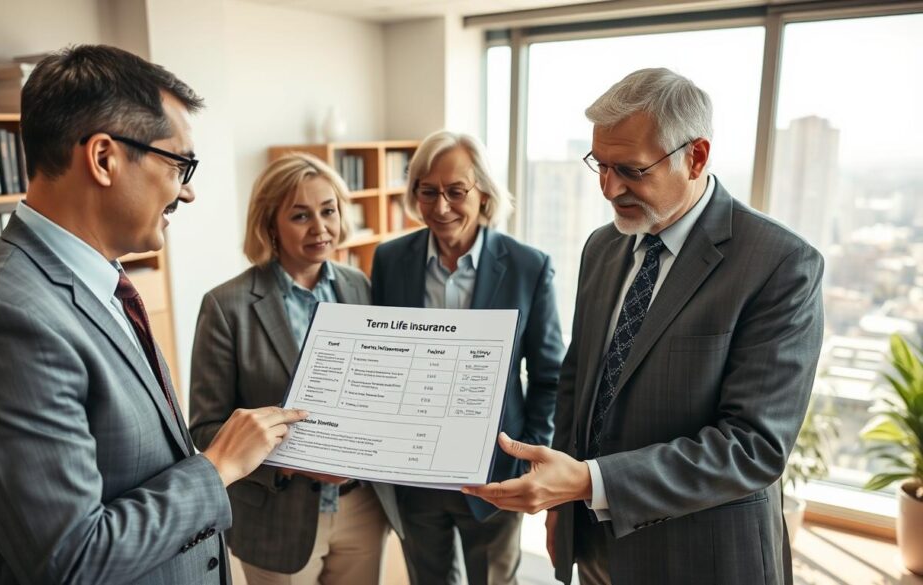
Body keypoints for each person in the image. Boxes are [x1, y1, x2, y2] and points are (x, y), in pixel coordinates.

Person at [0, 45, 307, 585]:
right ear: (104, 158)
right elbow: (74, 559)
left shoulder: (103, 281)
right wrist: (218, 468)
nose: (188, 191)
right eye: (179, 164)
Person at [464, 68, 825, 585]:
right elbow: (577, 381)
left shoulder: (781, 264)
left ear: (695, 157)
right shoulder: (602, 246)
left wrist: (590, 482)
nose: (609, 189)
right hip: (595, 546)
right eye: (600, 165)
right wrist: (562, 512)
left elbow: (753, 446)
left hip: (701, 557)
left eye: (630, 170)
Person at [189, 152, 403, 585]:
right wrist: (293, 463)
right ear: (270, 225)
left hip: (361, 506)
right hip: (276, 512)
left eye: (328, 211)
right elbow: (206, 427)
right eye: (300, 216)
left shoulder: (359, 286)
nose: (320, 228)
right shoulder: (226, 306)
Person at [371, 130, 565, 585]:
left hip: (496, 474)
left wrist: (524, 460)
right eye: (427, 192)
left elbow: (549, 376)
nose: (441, 207)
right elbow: (382, 360)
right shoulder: (389, 260)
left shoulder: (528, 266)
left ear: (483, 194)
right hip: (414, 472)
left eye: (456, 192)